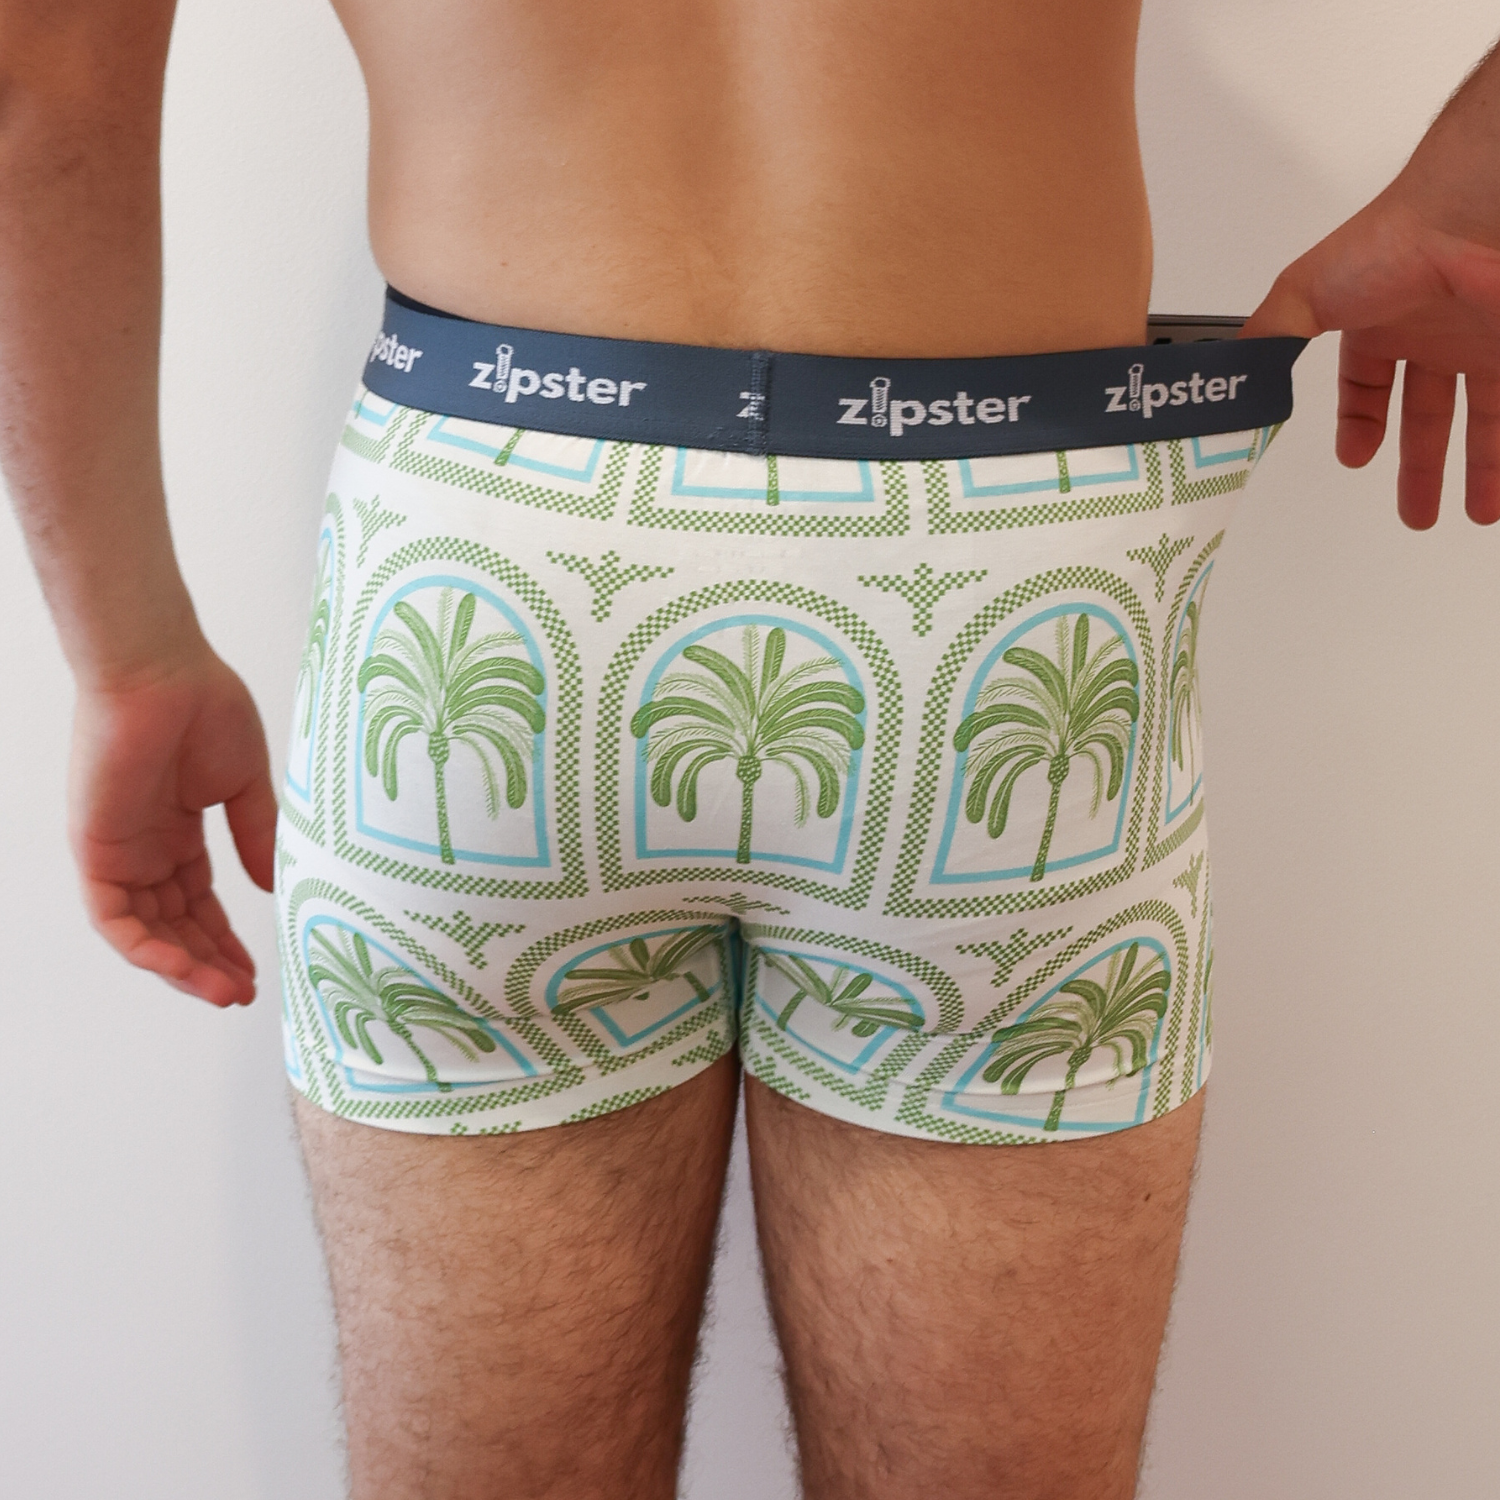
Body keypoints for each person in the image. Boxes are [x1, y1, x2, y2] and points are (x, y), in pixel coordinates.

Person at [2, 2, 1497, 1495]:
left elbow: (35, 76)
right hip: (1006, 596)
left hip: (486, 578)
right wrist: (1470, 195)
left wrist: (131, 660)